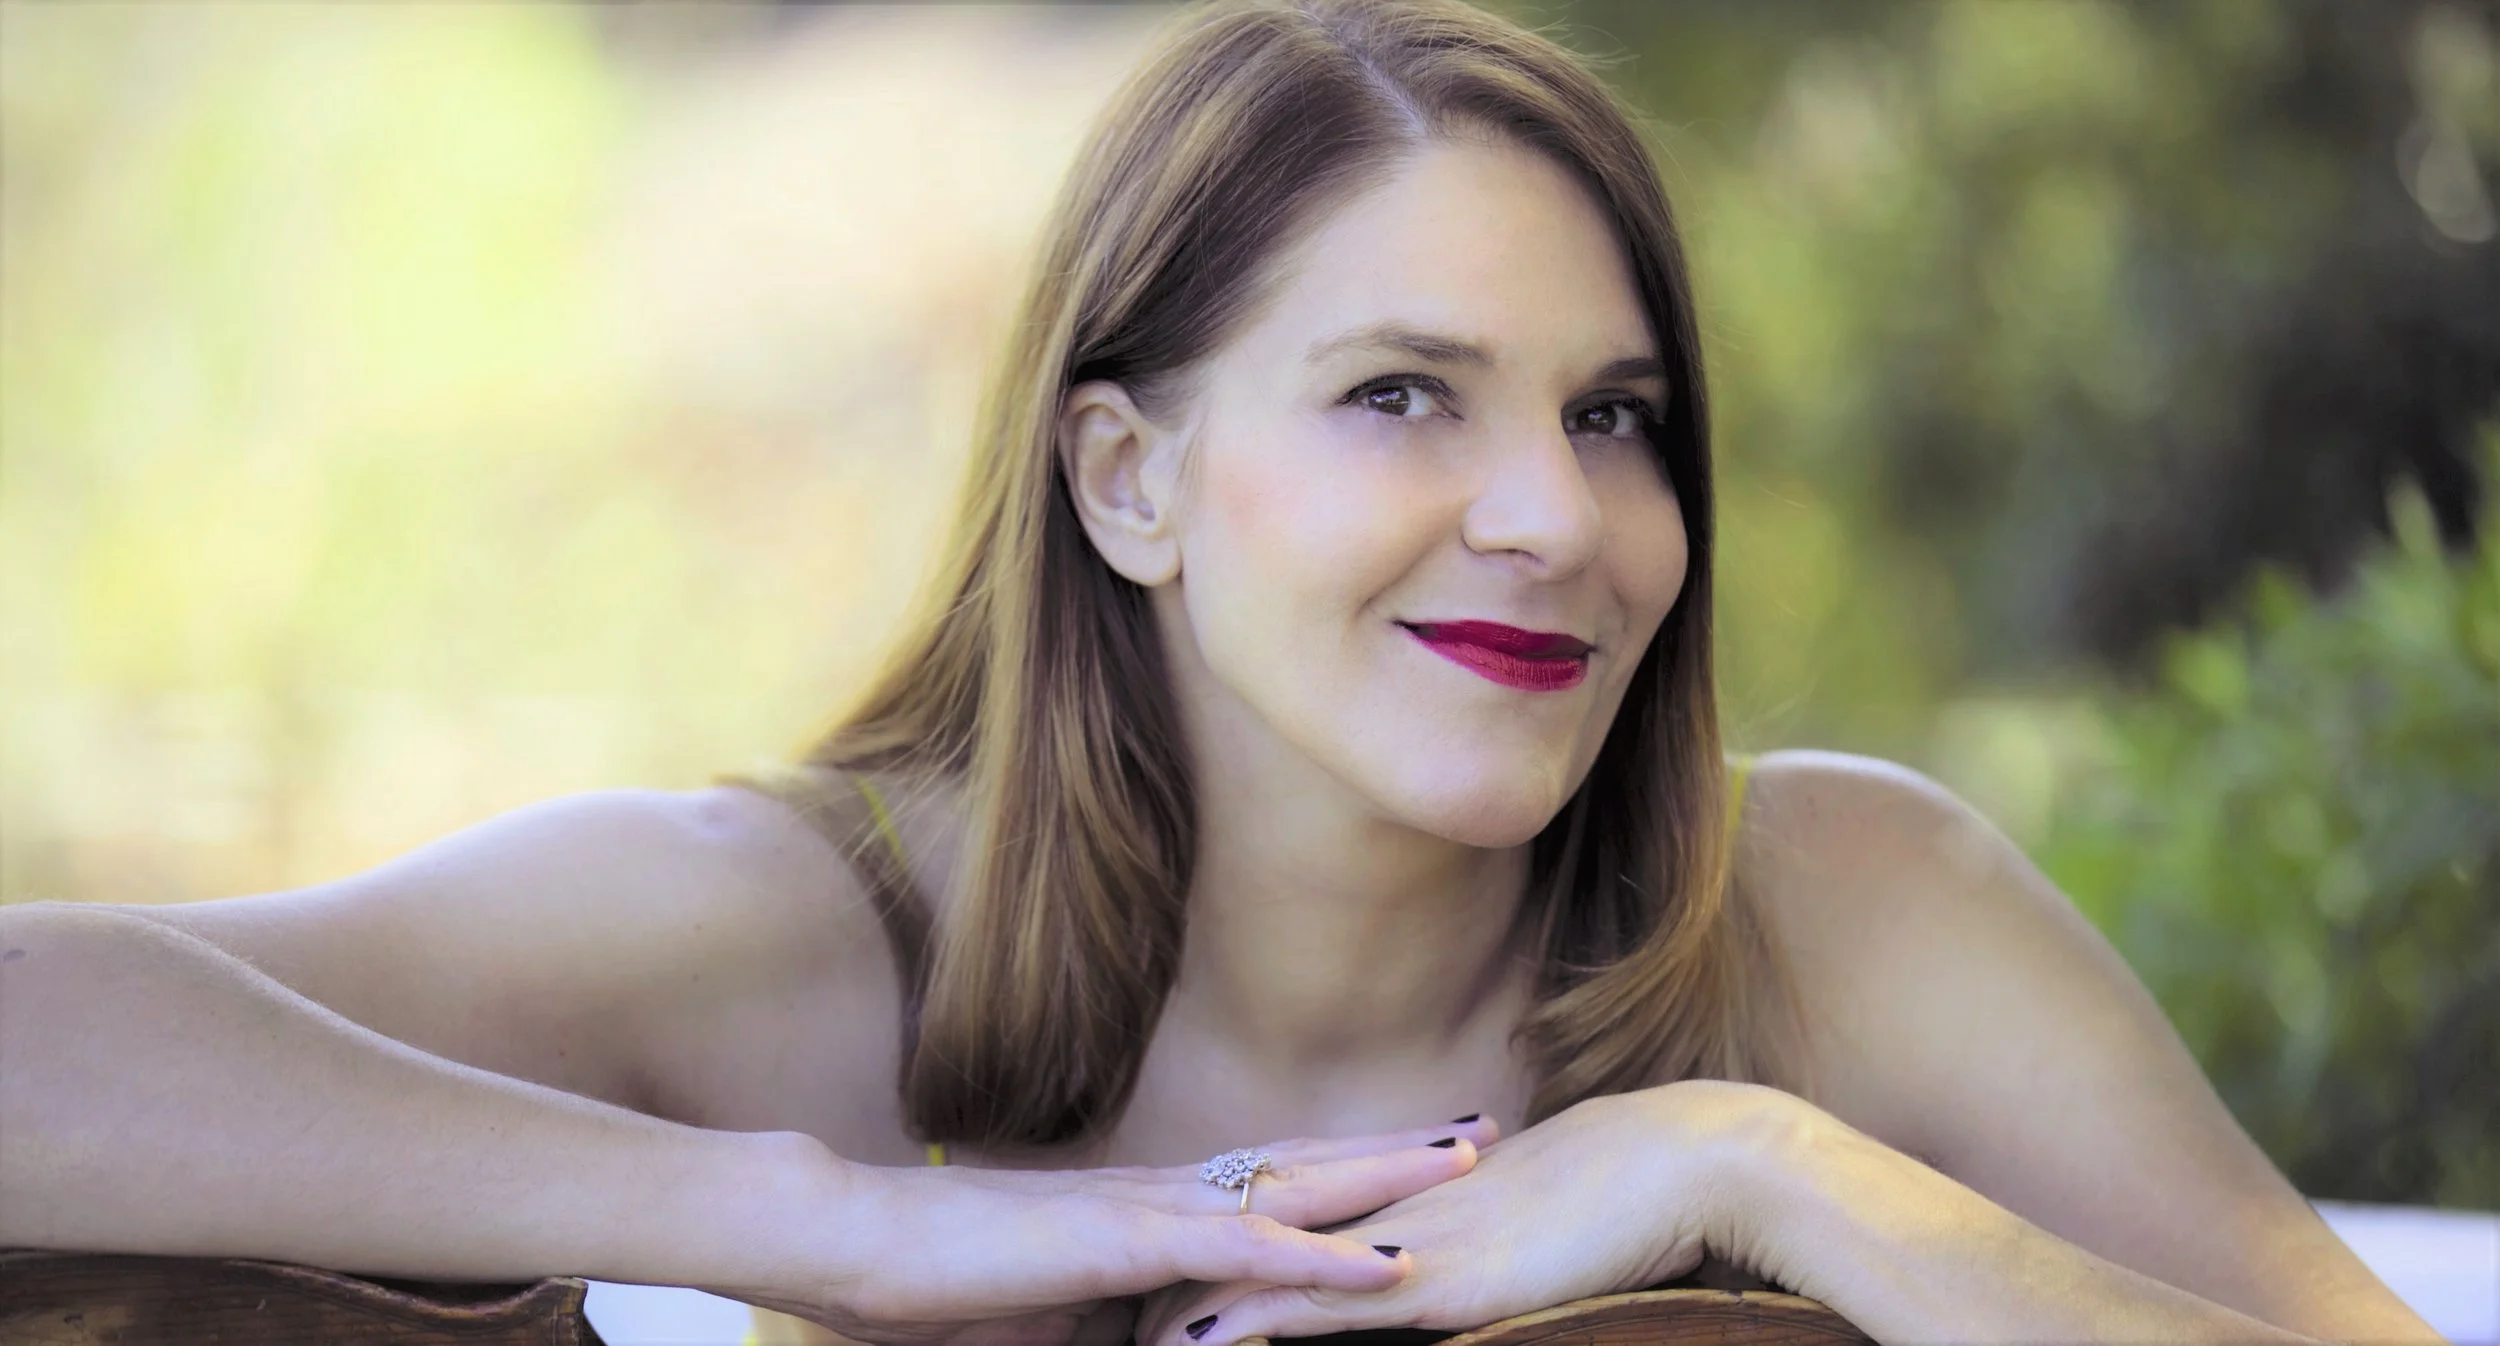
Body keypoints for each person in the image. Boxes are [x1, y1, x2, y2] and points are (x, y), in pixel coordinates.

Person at [0, 1, 2444, 1343]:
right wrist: (809, 1215)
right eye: (1404, 394)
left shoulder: (1834, 903)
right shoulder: (801, 936)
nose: (1556, 517)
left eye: (1615, 419)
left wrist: (1763, 1168)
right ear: (1122, 480)